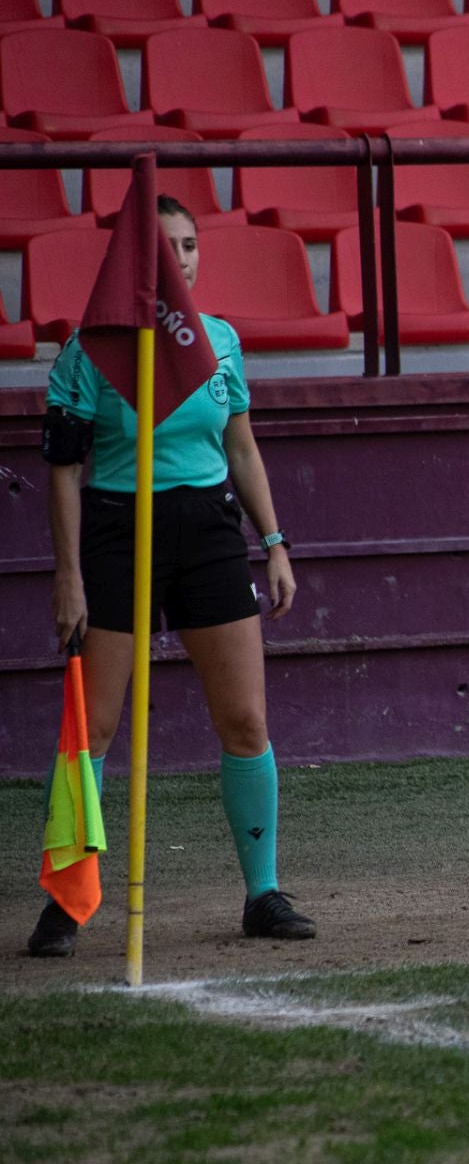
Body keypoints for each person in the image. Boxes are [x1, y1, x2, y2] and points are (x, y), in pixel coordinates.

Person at [26, 195, 315, 957]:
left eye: (188, 246)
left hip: (210, 532)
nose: (179, 259)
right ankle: (68, 900)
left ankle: (263, 893)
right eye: (163, 248)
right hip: (119, 533)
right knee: (98, 729)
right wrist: (68, 577)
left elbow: (242, 449)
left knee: (245, 721)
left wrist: (275, 541)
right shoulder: (90, 349)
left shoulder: (218, 341)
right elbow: (61, 470)